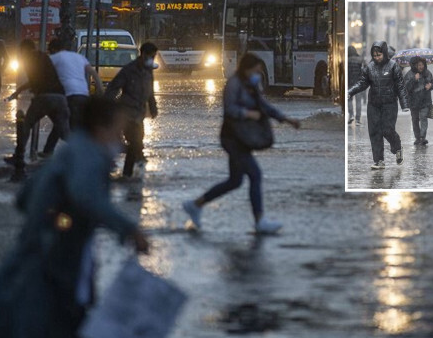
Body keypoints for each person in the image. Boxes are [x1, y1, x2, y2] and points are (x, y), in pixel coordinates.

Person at [0, 98, 150, 338]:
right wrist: (129, 230)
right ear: (100, 128)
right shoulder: (90, 155)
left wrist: (53, 214)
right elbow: (86, 196)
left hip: (39, 255)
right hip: (58, 261)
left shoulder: (71, 150)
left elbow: (24, 198)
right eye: (117, 132)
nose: (121, 141)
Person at [182, 53, 300, 234]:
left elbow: (264, 106)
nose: (259, 73)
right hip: (232, 138)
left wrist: (286, 119)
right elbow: (230, 109)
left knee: (234, 181)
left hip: (243, 138)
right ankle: (260, 220)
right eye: (256, 70)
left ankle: (195, 205)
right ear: (247, 68)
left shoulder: (251, 85)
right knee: (255, 174)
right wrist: (247, 113)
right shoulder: (234, 84)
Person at [5, 40, 70, 181]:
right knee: (65, 132)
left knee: (26, 125)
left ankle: (19, 155)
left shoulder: (29, 59)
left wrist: (32, 93)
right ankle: (87, 153)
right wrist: (19, 91)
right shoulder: (44, 57)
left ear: (24, 50)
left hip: (44, 97)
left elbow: (35, 80)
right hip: (60, 97)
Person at [348, 41, 410, 169]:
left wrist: (404, 104)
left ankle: (397, 147)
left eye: (379, 55)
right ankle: (379, 160)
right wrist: (350, 92)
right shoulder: (369, 67)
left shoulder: (393, 67)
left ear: (385, 53)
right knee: (375, 132)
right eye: (375, 55)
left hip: (390, 104)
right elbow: (362, 83)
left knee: (387, 129)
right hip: (374, 104)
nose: (377, 58)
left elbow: (400, 86)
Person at [41, 38, 104, 157]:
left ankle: (83, 151)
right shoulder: (78, 57)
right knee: (62, 122)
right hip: (83, 94)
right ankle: (48, 151)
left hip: (69, 95)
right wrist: (100, 89)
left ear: (53, 50)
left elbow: (41, 73)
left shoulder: (55, 57)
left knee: (69, 124)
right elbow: (93, 73)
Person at [104, 42, 159, 178]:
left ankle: (132, 171)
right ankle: (125, 172)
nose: (152, 58)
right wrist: (107, 106)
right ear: (143, 54)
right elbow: (113, 87)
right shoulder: (129, 70)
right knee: (134, 142)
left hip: (139, 114)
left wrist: (153, 107)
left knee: (137, 142)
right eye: (150, 56)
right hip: (126, 113)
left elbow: (150, 91)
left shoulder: (148, 71)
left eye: (154, 56)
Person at [404, 56, 433, 145]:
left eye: (422, 65)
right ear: (414, 66)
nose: (421, 67)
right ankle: (417, 137)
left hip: (425, 100)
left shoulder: (427, 73)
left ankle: (422, 137)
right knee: (415, 119)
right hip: (414, 102)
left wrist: (431, 85)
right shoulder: (409, 74)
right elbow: (407, 88)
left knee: (424, 118)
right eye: (418, 65)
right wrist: (414, 79)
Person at [346, 45, 363, 125]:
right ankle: (358, 119)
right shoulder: (360, 60)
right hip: (358, 83)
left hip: (349, 83)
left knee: (349, 100)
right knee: (358, 101)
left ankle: (351, 115)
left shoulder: (347, 60)